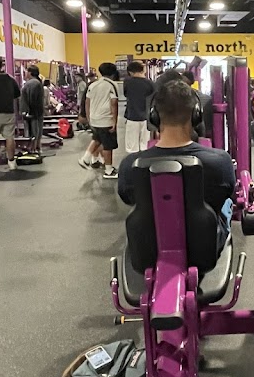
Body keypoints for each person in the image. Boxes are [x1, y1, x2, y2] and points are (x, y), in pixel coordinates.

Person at [118, 78, 236, 257]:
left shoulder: (130, 165)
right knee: (227, 205)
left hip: (149, 248)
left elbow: (128, 198)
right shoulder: (220, 161)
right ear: (196, 115)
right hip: (204, 249)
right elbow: (226, 193)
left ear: (154, 116)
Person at [80, 62, 120, 179]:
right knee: (108, 145)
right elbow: (114, 103)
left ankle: (86, 158)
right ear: (113, 73)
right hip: (105, 119)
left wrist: (89, 118)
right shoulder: (112, 85)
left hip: (94, 119)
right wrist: (114, 121)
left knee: (97, 139)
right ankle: (109, 170)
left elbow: (87, 102)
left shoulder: (93, 85)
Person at [123, 60, 154, 154]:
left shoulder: (128, 82)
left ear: (130, 72)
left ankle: (133, 161)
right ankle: (143, 161)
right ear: (142, 70)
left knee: (132, 147)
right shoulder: (150, 83)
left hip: (132, 117)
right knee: (145, 145)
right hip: (146, 118)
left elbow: (126, 94)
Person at [20, 65, 45, 154]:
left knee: (33, 131)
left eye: (26, 71)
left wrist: (30, 112)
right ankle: (36, 147)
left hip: (32, 112)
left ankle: (33, 149)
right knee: (37, 130)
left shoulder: (32, 83)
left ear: (30, 73)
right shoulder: (37, 82)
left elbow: (32, 99)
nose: (25, 73)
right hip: (37, 111)